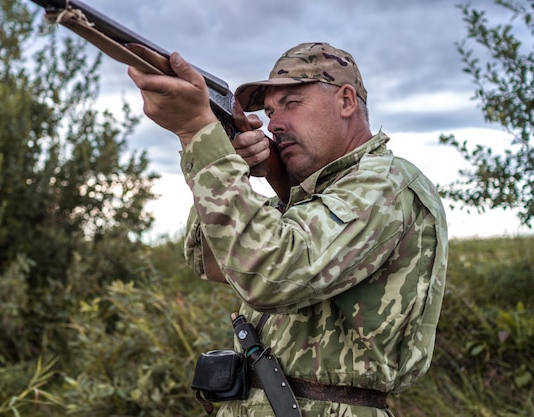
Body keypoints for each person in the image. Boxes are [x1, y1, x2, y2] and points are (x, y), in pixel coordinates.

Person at [128, 42, 448, 417]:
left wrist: (200, 132)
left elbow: (270, 273)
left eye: (292, 104)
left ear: (346, 101)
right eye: (268, 111)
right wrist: (229, 160)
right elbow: (213, 263)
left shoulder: (386, 184)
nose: (274, 124)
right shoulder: (308, 197)